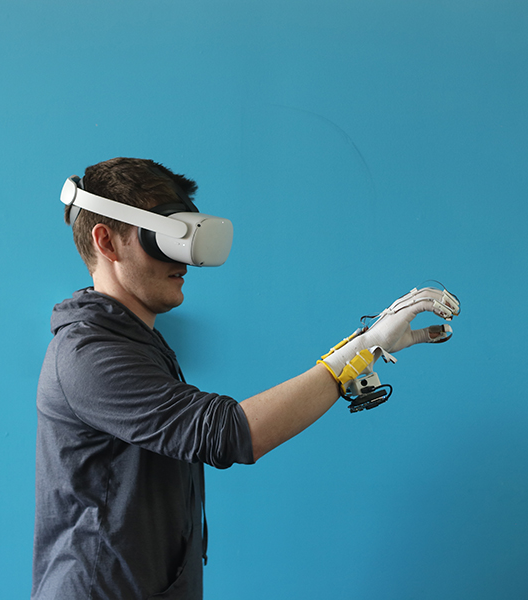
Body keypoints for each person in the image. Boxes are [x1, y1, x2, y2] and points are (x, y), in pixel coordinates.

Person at [32, 157, 460, 599]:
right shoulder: (88, 354)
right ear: (107, 242)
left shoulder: (136, 343)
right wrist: (361, 350)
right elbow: (227, 433)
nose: (185, 262)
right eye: (164, 238)